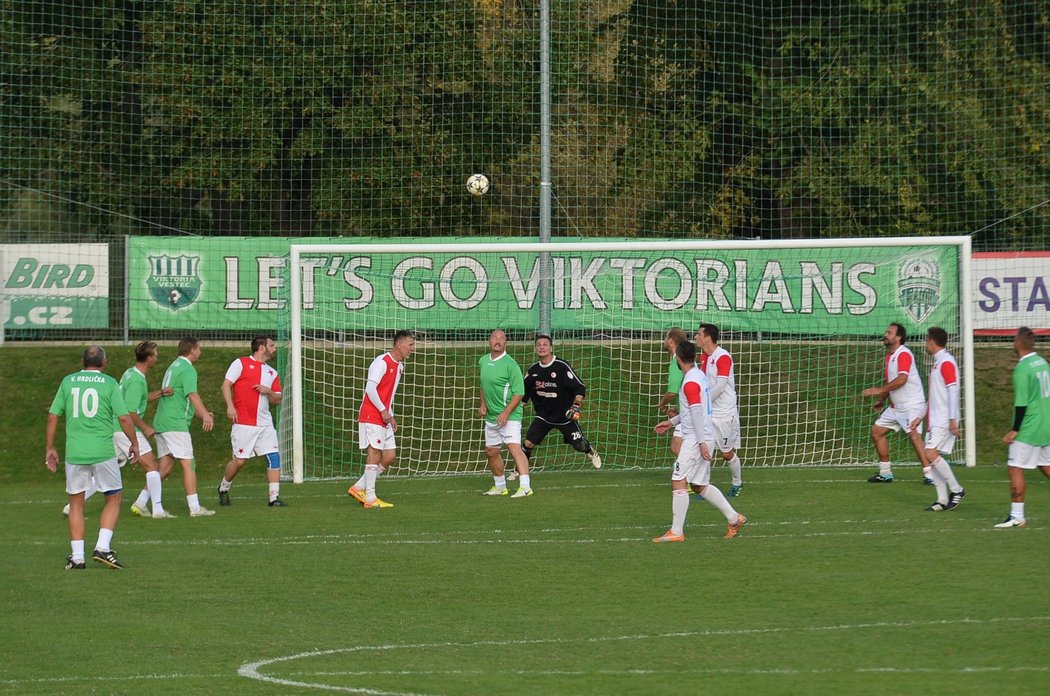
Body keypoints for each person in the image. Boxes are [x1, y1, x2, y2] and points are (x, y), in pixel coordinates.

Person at [46, 346, 139, 569]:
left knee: (76, 503)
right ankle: (103, 548)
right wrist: (134, 443)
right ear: (105, 362)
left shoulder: (68, 381)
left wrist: (50, 447)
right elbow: (124, 418)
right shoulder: (109, 383)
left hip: (75, 452)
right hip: (103, 452)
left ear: (82, 361)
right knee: (114, 497)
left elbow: (53, 415)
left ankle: (77, 557)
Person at [652, 340, 747, 542]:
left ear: (678, 359)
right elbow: (695, 410)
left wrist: (702, 443)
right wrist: (671, 422)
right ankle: (734, 518)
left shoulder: (690, 382)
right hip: (702, 435)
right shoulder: (699, 377)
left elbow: (696, 412)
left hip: (696, 439)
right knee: (698, 485)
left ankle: (676, 532)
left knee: (678, 481)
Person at [348, 330, 416, 509]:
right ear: (399, 344)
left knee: (389, 455)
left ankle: (359, 487)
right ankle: (370, 498)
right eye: (410, 345)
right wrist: (384, 411)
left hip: (384, 415)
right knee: (375, 453)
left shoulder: (400, 367)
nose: (412, 349)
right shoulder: (381, 362)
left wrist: (390, 415)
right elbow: (371, 389)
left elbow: (388, 395)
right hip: (371, 414)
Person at [217, 335, 286, 507]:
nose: (275, 348)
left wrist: (268, 391)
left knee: (274, 457)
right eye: (271, 345)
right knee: (240, 461)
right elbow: (226, 385)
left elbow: (278, 398)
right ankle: (224, 488)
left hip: (265, 424)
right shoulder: (240, 363)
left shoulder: (272, 372)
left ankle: (274, 498)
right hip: (243, 422)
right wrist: (230, 407)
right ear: (262, 348)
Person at [153, 336, 216, 517]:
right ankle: (194, 507)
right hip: (175, 423)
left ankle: (141, 501)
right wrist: (204, 414)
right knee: (189, 464)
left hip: (163, 422)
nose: (200, 352)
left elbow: (181, 398)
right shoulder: (188, 369)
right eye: (199, 348)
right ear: (192, 350)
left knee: (164, 467)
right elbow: (191, 394)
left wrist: (200, 414)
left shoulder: (173, 366)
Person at [995, 326, 1050, 528]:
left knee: (1015, 467)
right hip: (1046, 425)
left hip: (1029, 427)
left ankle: (1017, 516)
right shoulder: (1042, 362)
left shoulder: (1023, 367)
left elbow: (1021, 403)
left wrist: (1014, 430)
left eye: (1014, 339)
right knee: (1045, 465)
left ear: (1018, 343)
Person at [521, 334, 602, 469]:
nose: (542, 347)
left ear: (551, 348)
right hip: (544, 416)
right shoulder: (533, 370)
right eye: (539, 345)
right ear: (535, 348)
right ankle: (519, 470)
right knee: (528, 444)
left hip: (565, 416)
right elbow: (524, 393)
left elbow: (579, 387)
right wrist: (520, 406)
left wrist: (576, 405)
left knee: (579, 445)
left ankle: (591, 451)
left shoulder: (561, 366)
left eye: (545, 344)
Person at [116, 341, 176, 519]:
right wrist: (145, 427)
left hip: (115, 428)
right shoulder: (136, 380)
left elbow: (138, 399)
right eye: (155, 355)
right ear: (149, 358)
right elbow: (130, 410)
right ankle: (157, 510)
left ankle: (70, 506)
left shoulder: (131, 373)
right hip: (125, 429)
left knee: (107, 469)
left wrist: (160, 393)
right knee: (152, 466)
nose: (157, 357)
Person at [862, 322, 928, 483]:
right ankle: (885, 473)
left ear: (898, 338)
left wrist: (877, 390)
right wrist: (881, 399)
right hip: (896, 407)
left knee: (914, 436)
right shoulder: (890, 357)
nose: (885, 335)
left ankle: (930, 475)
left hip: (912, 405)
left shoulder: (903, 354)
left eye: (889, 333)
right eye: (886, 332)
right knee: (876, 432)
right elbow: (891, 381)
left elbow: (902, 379)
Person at [910, 327, 966, 511]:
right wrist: (920, 417)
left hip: (943, 419)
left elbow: (953, 390)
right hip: (934, 419)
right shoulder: (938, 363)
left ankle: (957, 490)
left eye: (926, 340)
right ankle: (941, 499)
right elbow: (935, 396)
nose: (926, 344)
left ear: (932, 341)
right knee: (933, 458)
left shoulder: (946, 362)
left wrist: (952, 419)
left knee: (930, 454)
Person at [478, 329, 532, 497]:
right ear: (489, 341)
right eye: (495, 337)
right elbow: (483, 384)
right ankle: (500, 486)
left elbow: (519, 392)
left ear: (505, 343)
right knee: (491, 451)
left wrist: (507, 412)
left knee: (514, 448)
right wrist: (483, 404)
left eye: (502, 339)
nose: (498, 341)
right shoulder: (483, 361)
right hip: (492, 416)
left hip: (510, 416)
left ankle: (525, 486)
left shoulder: (511, 365)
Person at [695, 323, 744, 496]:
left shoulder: (723, 357)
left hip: (724, 413)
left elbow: (721, 385)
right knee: (704, 450)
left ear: (707, 337)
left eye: (699, 334)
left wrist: (702, 401)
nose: (696, 337)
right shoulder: (704, 357)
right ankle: (703, 488)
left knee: (726, 453)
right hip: (709, 412)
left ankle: (737, 483)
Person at [656, 327, 688, 457]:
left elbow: (672, 392)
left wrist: (662, 404)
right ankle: (689, 473)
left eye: (665, 338)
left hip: (692, 414)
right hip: (690, 411)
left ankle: (691, 473)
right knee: (680, 447)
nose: (664, 341)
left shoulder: (677, 360)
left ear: (670, 341)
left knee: (677, 447)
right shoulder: (684, 360)